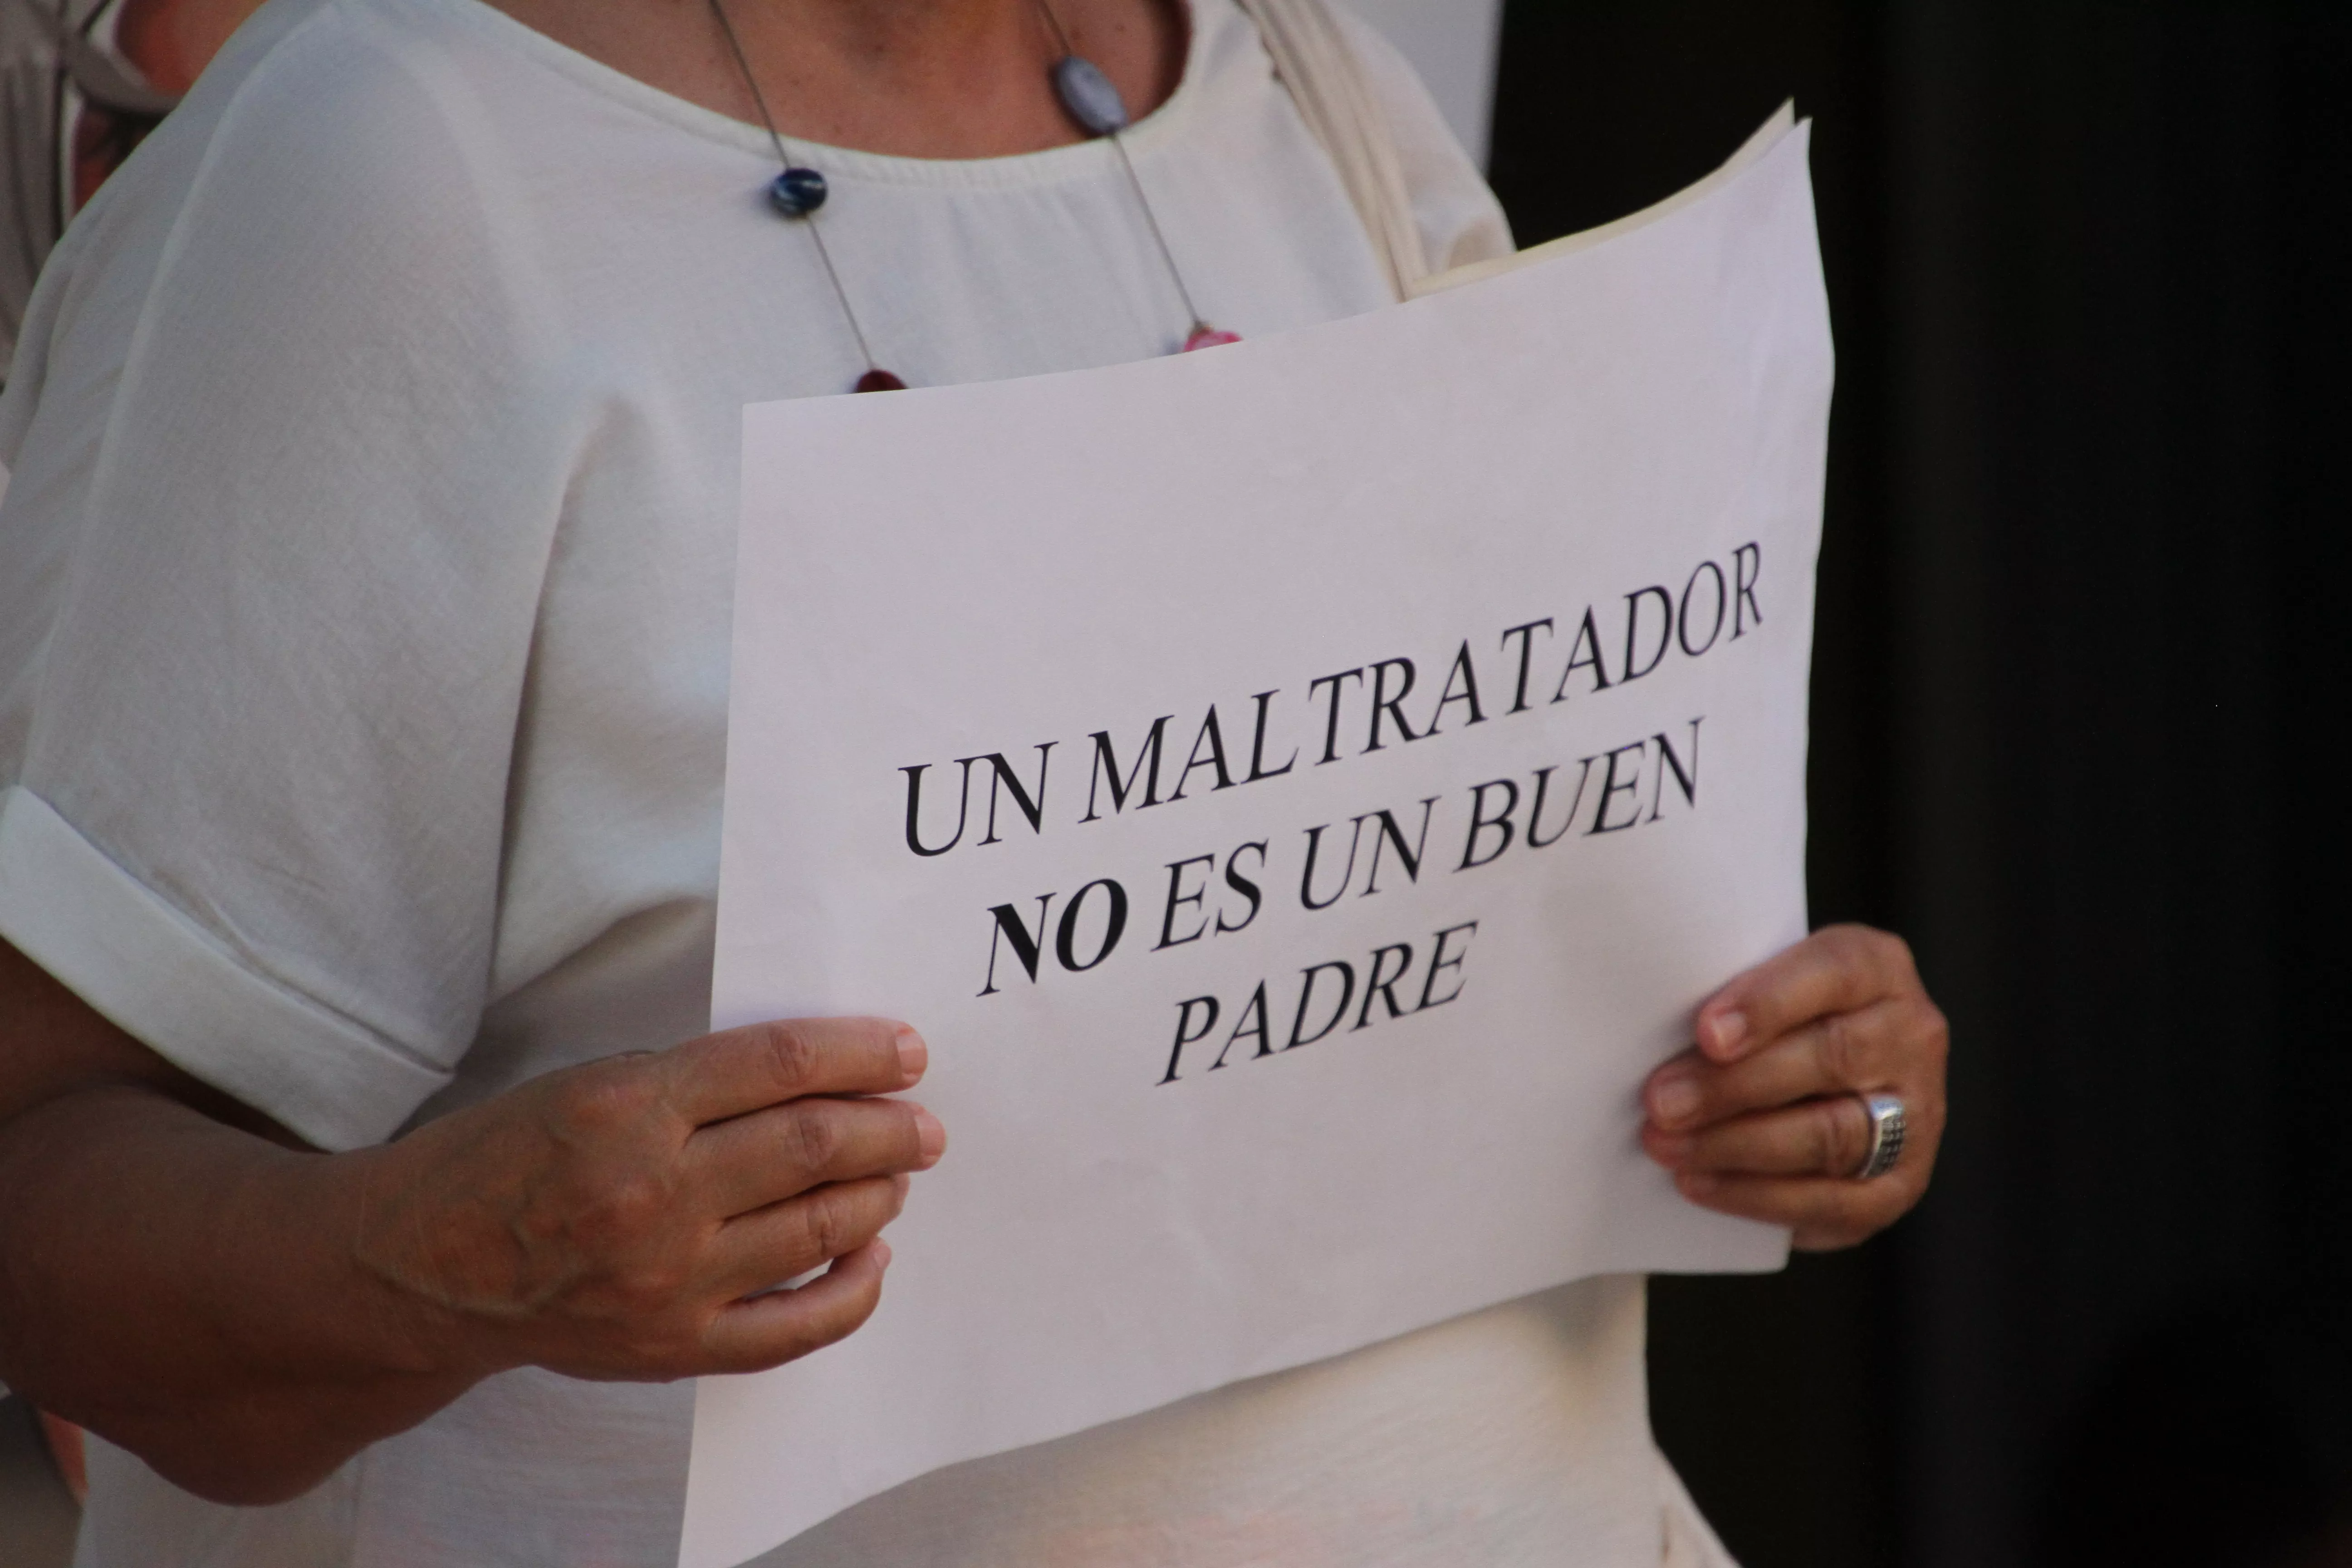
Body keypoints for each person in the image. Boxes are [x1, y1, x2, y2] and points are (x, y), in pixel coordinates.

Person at [0, 0, 1950, 1563]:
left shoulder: (1303, 89)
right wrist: (440, 1269)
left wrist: (1796, 1082)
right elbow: (47, 1193)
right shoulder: (395, 169)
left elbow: (1491, 930)